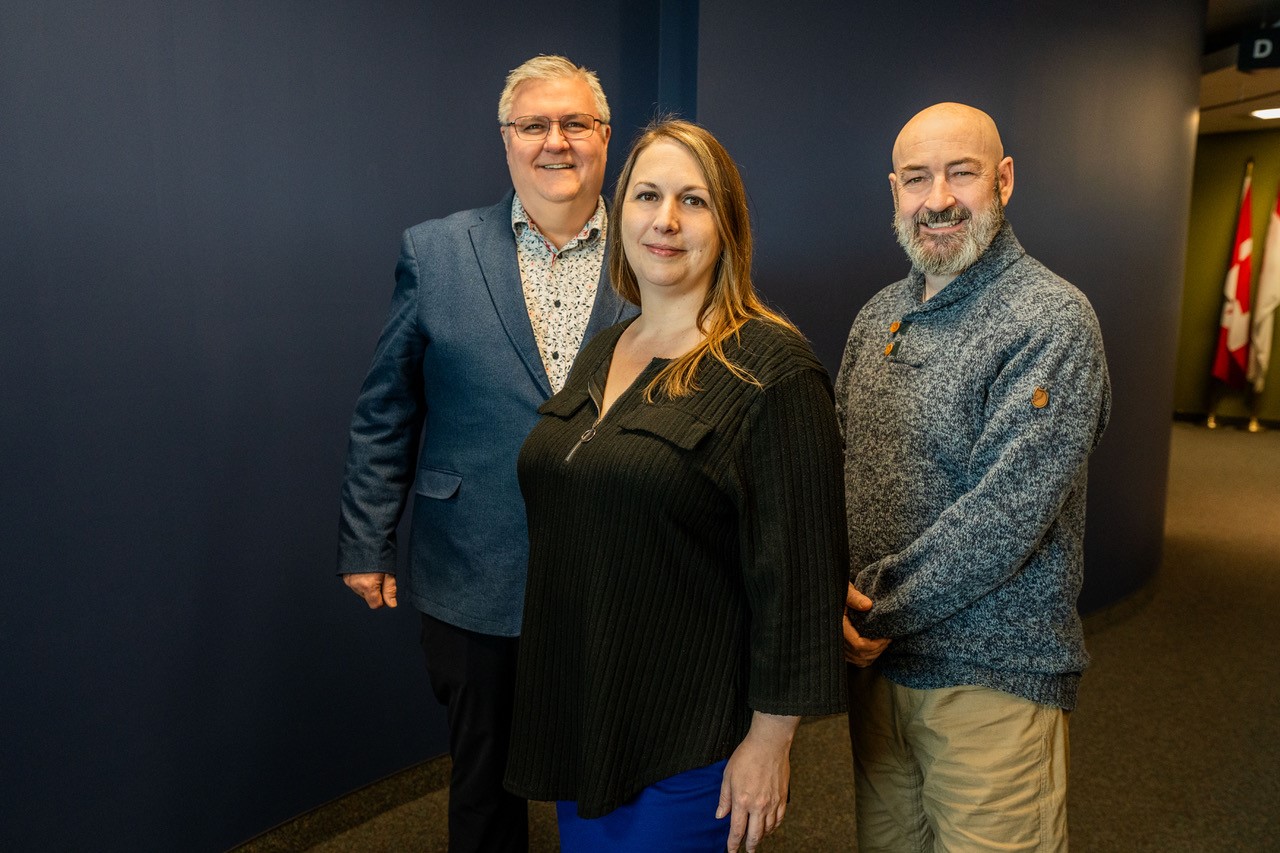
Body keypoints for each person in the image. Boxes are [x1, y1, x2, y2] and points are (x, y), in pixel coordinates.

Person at [503, 120, 849, 853]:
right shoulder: (607, 348)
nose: (665, 220)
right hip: (590, 719)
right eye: (647, 196)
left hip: (689, 742)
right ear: (618, 211)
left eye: (693, 201)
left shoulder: (771, 368)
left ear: (727, 226)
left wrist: (770, 742)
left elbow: (802, 578)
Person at [336, 55, 635, 853]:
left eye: (575, 123)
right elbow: (386, 408)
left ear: (606, 137)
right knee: (483, 785)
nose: (555, 141)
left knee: (613, 776)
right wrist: (367, 538)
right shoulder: (434, 253)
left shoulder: (657, 249)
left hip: (620, 569)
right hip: (474, 568)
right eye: (534, 124)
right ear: (506, 140)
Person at [835, 102, 1112, 852]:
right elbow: (841, 472)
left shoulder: (1051, 318)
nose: (939, 199)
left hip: (991, 679)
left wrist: (872, 609)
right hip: (880, 676)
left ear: (1005, 180)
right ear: (894, 190)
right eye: (917, 179)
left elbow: (1004, 514)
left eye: (962, 172)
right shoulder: (877, 317)